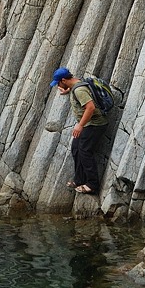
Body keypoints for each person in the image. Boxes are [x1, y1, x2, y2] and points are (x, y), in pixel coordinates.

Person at [51, 67, 109, 195]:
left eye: (58, 83)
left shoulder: (79, 90)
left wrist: (80, 125)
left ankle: (92, 184)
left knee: (85, 152)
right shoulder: (76, 85)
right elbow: (78, 93)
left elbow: (90, 108)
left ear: (64, 80)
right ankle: (79, 179)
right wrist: (67, 91)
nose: (57, 86)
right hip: (87, 124)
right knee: (76, 149)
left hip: (94, 124)